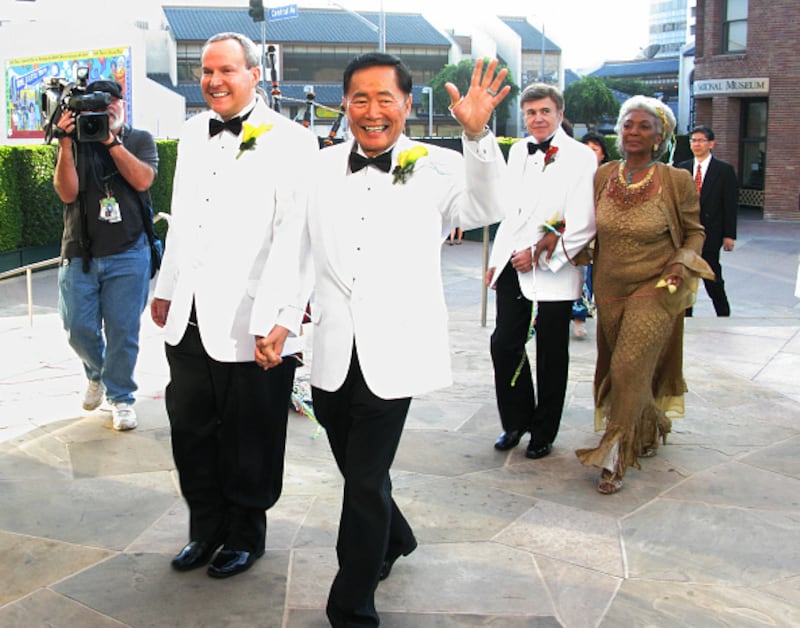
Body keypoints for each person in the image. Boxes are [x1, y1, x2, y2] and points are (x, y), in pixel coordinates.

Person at [255, 53, 510, 627]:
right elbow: (293, 251)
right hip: (332, 354)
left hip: (396, 350)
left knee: (364, 482)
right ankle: (395, 538)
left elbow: (490, 206)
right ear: (344, 105)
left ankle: (351, 605)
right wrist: (279, 320)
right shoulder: (316, 170)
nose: (373, 111)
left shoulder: (439, 167)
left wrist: (477, 134)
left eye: (385, 99)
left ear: (407, 105)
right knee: (359, 473)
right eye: (360, 99)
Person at [150, 32, 318, 579]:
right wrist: (166, 288)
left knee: (251, 433)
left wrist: (283, 318)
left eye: (226, 70)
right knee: (192, 428)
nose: (214, 81)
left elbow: (297, 238)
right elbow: (183, 220)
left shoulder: (292, 140)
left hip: (253, 320)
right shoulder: (193, 133)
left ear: (255, 73)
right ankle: (206, 529)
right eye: (206, 71)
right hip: (190, 317)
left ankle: (246, 534)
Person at [575, 96, 714, 494]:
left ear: (660, 136)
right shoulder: (603, 175)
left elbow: (695, 231)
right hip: (609, 288)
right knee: (624, 367)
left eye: (644, 126)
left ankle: (615, 454)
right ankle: (653, 419)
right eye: (628, 125)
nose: (634, 132)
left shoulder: (675, 180)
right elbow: (586, 226)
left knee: (628, 367)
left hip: (657, 287)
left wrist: (679, 264)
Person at [486, 83, 597, 460]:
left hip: (554, 269)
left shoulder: (582, 157)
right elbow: (508, 213)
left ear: (559, 113)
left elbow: (583, 222)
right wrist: (497, 260)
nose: (537, 118)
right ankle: (515, 421)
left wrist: (537, 253)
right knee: (504, 344)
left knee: (552, 354)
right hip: (511, 265)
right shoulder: (517, 151)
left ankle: (543, 430)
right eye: (531, 112)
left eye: (544, 111)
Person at [53, 79, 158, 431]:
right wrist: (66, 144)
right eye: (96, 106)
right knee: (77, 328)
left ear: (122, 104)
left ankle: (121, 397)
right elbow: (67, 194)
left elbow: (143, 180)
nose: (106, 110)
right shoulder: (75, 142)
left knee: (123, 331)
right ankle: (98, 374)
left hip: (129, 252)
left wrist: (109, 141)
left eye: (111, 102)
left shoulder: (138, 139)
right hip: (79, 251)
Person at [676, 125, 738, 316]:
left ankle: (723, 313)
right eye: (693, 140)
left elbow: (730, 205)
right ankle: (686, 316)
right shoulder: (682, 169)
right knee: (685, 277)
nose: (696, 144)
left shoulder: (724, 170)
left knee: (712, 276)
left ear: (711, 144)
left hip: (711, 232)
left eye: (701, 140)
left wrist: (729, 235)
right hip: (685, 233)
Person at [571, 131, 610, 338]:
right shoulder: (572, 174)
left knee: (590, 280)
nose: (589, 153)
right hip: (573, 234)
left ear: (603, 154)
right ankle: (573, 317)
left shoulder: (609, 176)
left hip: (600, 237)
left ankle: (583, 315)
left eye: (594, 149)